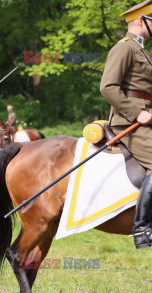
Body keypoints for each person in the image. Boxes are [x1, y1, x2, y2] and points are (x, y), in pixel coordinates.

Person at [100, 0, 152, 249]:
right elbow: (107, 87)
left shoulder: (143, 52)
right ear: (141, 21)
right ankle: (141, 229)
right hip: (128, 122)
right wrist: (136, 113)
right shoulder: (124, 49)